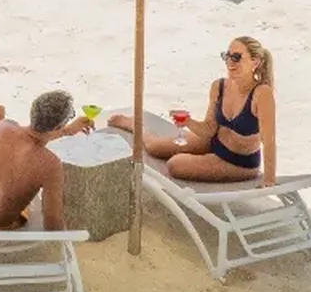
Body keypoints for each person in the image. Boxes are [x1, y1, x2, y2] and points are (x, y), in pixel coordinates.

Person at [109, 36, 278, 187]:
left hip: (238, 162)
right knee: (155, 147)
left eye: (236, 57)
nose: (230, 62)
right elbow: (209, 129)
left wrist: (269, 180)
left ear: (255, 62)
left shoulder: (262, 94)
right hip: (213, 142)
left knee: (175, 165)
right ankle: (134, 125)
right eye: (227, 56)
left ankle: (200, 157)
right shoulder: (219, 86)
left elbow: (269, 141)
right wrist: (188, 121)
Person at [0, 90, 96, 231]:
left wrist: (65, 131)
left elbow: (29, 138)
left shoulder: (4, 127)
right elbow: (52, 223)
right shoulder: (51, 165)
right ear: (58, 126)